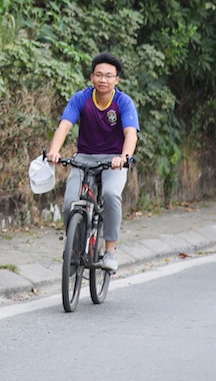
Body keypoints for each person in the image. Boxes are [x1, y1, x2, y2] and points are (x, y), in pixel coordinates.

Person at [46, 52, 139, 271]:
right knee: (70, 204)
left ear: (116, 79)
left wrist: (123, 158)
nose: (103, 80)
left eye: (108, 76)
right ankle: (75, 247)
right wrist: (54, 152)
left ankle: (110, 251)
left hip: (113, 160)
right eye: (99, 75)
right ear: (91, 77)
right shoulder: (82, 98)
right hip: (84, 158)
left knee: (110, 195)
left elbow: (131, 133)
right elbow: (65, 125)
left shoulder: (123, 102)